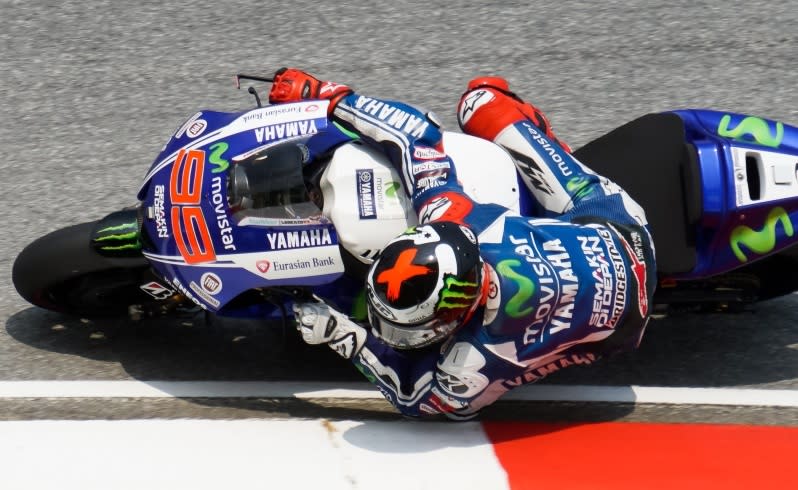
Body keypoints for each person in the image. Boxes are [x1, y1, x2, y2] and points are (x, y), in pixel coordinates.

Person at [269, 68, 657, 420]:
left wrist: (344, 336)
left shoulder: (472, 363)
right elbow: (414, 137)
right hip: (610, 235)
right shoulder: (456, 221)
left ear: (454, 318)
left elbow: (415, 401)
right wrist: (330, 96)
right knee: (482, 102)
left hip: (624, 280)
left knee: (479, 106)